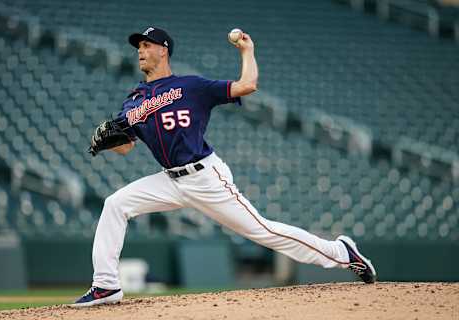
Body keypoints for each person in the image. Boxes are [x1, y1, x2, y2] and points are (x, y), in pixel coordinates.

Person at [73, 27, 377, 307]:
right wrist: (107, 143)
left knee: (263, 231)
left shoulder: (191, 86)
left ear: (163, 50)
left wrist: (247, 51)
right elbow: (126, 147)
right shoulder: (134, 101)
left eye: (146, 45)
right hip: (169, 180)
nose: (139, 50)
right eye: (138, 46)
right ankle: (106, 285)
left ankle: (342, 253)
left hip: (205, 177)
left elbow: (248, 85)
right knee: (115, 204)